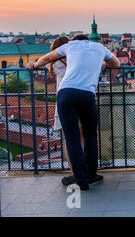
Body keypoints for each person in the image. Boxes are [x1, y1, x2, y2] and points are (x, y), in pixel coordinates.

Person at [28, 34, 120, 190]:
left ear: (76, 41)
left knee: (72, 139)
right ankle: (91, 175)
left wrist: (34, 66)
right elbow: (116, 64)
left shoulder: (70, 46)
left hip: (66, 93)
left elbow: (47, 58)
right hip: (86, 95)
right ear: (88, 40)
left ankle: (80, 181)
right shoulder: (99, 47)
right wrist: (101, 63)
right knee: (90, 136)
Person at [48, 36, 84, 186]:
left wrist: (32, 64)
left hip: (63, 101)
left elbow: (41, 63)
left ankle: (74, 172)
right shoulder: (75, 61)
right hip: (79, 99)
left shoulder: (55, 64)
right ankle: (83, 170)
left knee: (69, 140)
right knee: (81, 138)